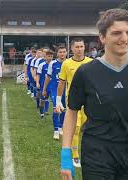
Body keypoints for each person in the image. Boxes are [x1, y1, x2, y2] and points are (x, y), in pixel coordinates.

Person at [60, 9, 128, 180]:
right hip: (96, 151)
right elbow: (71, 113)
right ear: (102, 37)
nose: (124, 38)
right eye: (116, 33)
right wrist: (66, 155)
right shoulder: (86, 72)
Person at [56, 38, 92, 168]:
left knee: (88, 128)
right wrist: (58, 101)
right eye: (76, 47)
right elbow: (61, 82)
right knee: (75, 129)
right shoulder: (66, 63)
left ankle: (90, 153)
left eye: (81, 46)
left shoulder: (91, 63)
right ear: (71, 49)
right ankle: (75, 156)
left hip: (89, 101)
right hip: (73, 101)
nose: (79, 49)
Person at [42, 46, 67, 139]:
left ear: (66, 53)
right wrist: (44, 89)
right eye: (60, 52)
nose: (62, 54)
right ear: (57, 54)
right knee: (56, 108)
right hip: (54, 89)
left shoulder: (69, 63)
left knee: (64, 109)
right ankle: (56, 130)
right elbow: (48, 77)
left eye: (64, 52)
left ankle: (61, 127)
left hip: (66, 89)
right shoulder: (52, 64)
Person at [36, 50, 53, 120]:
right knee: (43, 100)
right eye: (48, 56)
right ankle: (42, 114)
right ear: (45, 57)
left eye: (51, 56)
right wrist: (37, 82)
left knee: (53, 100)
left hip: (53, 85)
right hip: (44, 86)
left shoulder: (54, 64)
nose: (50, 58)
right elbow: (38, 75)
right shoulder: (41, 65)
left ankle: (55, 115)